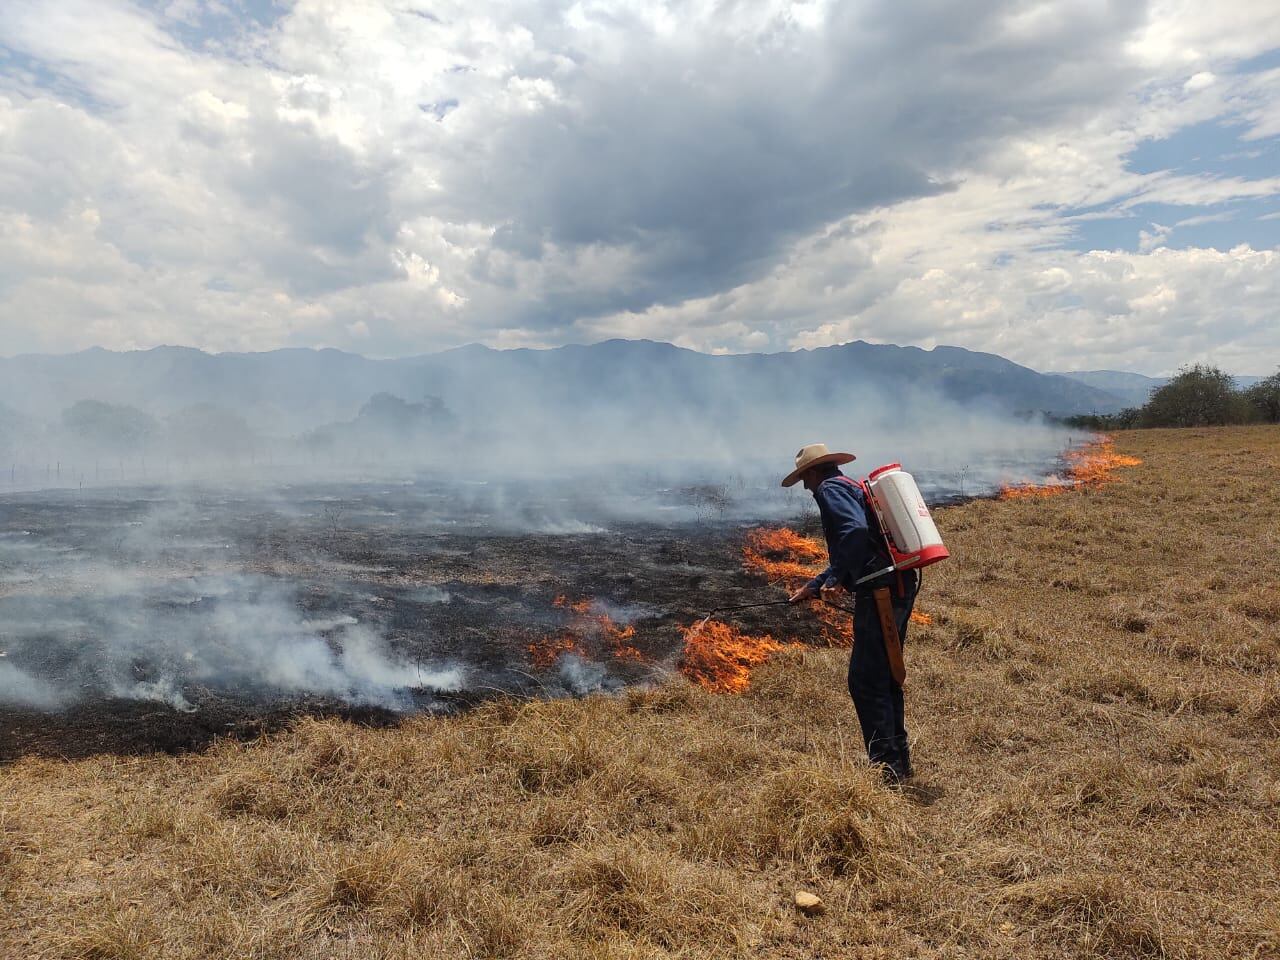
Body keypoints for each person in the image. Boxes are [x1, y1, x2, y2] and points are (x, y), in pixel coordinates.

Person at [781, 443, 920, 784]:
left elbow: (855, 534)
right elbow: (853, 545)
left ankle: (887, 768)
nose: (805, 486)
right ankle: (898, 762)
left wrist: (841, 579)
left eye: (805, 478)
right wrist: (816, 584)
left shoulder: (829, 489)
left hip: (880, 593)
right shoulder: (847, 485)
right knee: (886, 676)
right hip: (897, 585)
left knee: (865, 681)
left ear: (814, 472)